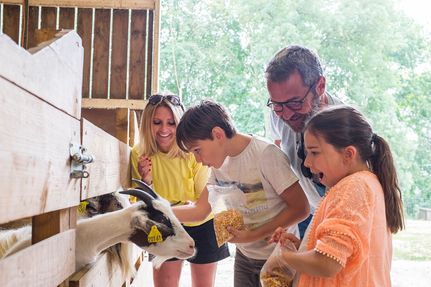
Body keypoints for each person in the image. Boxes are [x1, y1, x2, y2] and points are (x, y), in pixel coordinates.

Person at [173, 100, 309, 287]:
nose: (198, 160)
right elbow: (200, 210)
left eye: (197, 151)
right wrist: (156, 210)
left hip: (278, 257)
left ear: (217, 134)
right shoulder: (218, 165)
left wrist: (252, 235)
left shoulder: (265, 154)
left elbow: (301, 208)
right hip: (245, 257)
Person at [267, 105, 405, 286]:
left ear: (348, 154)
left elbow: (328, 264)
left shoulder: (352, 188)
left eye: (314, 152)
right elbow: (345, 255)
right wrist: (302, 246)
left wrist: (285, 257)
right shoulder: (368, 184)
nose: (307, 162)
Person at [130, 93, 229, 287]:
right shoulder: (139, 153)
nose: (164, 129)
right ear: (147, 124)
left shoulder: (193, 151)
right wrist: (147, 180)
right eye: (157, 122)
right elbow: (140, 202)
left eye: (171, 123)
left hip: (203, 223)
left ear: (180, 124)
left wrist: (168, 207)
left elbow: (201, 200)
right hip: (165, 224)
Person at [265, 45, 342, 238]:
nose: (287, 114)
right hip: (305, 210)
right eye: (277, 105)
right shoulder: (278, 113)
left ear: (320, 86)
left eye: (295, 103)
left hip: (339, 212)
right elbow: (277, 151)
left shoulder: (345, 126)